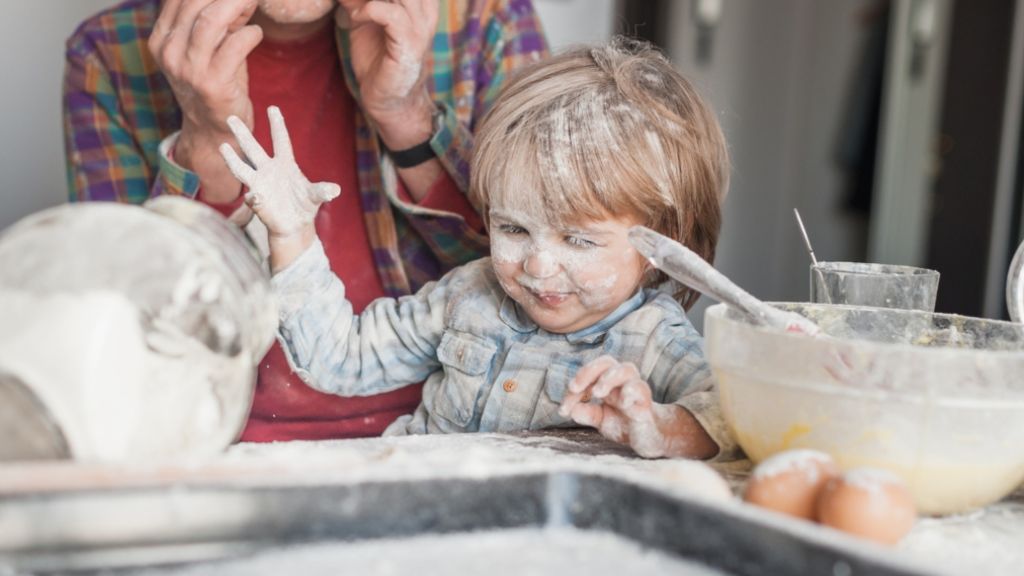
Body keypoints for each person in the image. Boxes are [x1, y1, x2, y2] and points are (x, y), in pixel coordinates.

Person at [219, 40, 739, 460]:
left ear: (661, 246)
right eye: (513, 229)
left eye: (577, 239)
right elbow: (340, 360)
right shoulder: (468, 295)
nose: (536, 266)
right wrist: (292, 238)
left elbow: (731, 418)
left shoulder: (652, 340)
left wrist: (658, 426)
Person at [63, 0, 547, 442]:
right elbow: (128, 330)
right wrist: (208, 137)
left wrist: (407, 114)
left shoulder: (487, 22)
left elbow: (544, 286)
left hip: (452, 431)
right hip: (220, 440)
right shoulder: (109, 53)